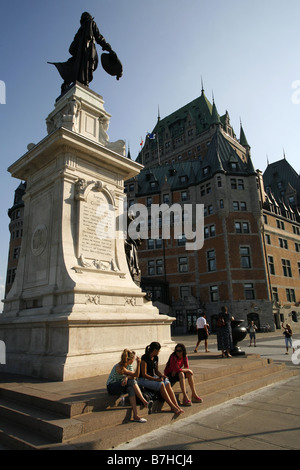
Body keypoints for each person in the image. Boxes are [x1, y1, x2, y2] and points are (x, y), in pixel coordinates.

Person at [49, 12, 121, 92]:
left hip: (80, 54)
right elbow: (99, 37)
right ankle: (83, 84)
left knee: (78, 67)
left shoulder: (80, 31)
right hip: (88, 52)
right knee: (85, 68)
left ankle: (67, 84)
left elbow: (71, 48)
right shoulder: (91, 23)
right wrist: (109, 49)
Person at [106, 349, 152, 423]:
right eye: (133, 359)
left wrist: (127, 377)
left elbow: (135, 376)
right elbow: (135, 375)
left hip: (122, 385)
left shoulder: (129, 366)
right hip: (112, 387)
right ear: (130, 359)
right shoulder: (119, 367)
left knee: (131, 388)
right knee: (131, 382)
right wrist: (139, 363)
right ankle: (144, 401)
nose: (134, 361)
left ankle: (135, 415)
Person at [138, 342, 184, 415]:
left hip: (152, 377)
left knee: (167, 383)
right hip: (143, 379)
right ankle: (172, 406)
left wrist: (162, 376)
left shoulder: (156, 357)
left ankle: (176, 405)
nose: (159, 352)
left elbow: (156, 371)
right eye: (158, 350)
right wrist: (156, 379)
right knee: (161, 385)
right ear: (154, 350)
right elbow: (144, 374)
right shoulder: (145, 358)